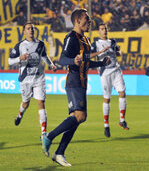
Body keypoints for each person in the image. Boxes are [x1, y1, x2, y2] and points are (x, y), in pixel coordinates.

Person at [42, 9, 110, 167]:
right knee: (79, 116)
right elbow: (62, 58)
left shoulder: (85, 40)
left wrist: (101, 63)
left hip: (82, 82)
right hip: (73, 81)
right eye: (87, 18)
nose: (90, 21)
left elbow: (85, 61)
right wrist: (73, 61)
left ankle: (59, 153)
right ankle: (49, 137)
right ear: (78, 21)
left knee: (79, 118)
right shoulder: (71, 37)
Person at [8, 22, 56, 137]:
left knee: (41, 103)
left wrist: (51, 64)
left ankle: (44, 133)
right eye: (28, 29)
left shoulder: (40, 44)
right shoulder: (20, 46)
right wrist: (20, 58)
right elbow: (10, 61)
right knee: (26, 103)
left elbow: (44, 56)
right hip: (25, 79)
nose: (31, 30)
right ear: (24, 32)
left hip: (39, 77)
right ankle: (20, 114)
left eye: (32, 28)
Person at [90, 23, 129, 138]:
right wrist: (102, 52)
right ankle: (106, 125)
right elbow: (90, 56)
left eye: (105, 29)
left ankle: (122, 119)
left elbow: (119, 53)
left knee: (122, 93)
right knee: (107, 99)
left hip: (116, 70)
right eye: (102, 29)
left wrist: (117, 52)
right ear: (99, 31)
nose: (104, 31)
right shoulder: (95, 44)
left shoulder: (113, 41)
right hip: (104, 72)